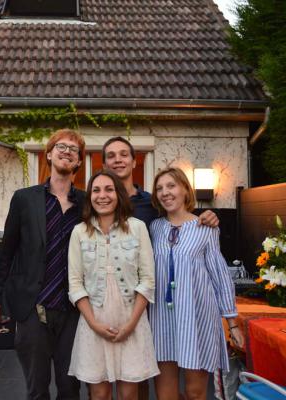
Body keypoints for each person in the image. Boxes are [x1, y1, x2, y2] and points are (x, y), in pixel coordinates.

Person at [101, 136, 218, 400]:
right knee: (103, 382)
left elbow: (179, 220)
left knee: (140, 379)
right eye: (111, 155)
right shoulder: (98, 200)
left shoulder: (151, 206)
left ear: (134, 161)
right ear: (104, 163)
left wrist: (207, 215)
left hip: (147, 304)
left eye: (123, 154)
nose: (118, 160)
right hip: (105, 301)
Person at [0, 129, 86, 400]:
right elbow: (7, 252)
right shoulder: (24, 199)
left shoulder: (87, 203)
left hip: (73, 309)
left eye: (73, 149)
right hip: (33, 308)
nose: (67, 152)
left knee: (70, 389)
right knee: (36, 389)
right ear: (49, 154)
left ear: (79, 161)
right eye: (61, 147)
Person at [149, 167, 244, 400]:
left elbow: (219, 275)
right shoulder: (154, 228)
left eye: (171, 186)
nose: (165, 192)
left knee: (195, 392)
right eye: (159, 188)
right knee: (165, 395)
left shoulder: (206, 228)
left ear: (185, 189)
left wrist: (232, 323)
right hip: (162, 319)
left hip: (197, 317)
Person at [68, 170, 160, 400]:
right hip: (94, 322)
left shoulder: (138, 227)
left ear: (119, 194)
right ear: (90, 196)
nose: (102, 196)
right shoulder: (79, 232)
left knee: (129, 393)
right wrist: (94, 324)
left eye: (109, 189)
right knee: (99, 394)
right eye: (96, 190)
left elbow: (148, 280)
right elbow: (75, 284)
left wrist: (130, 324)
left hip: (131, 320)